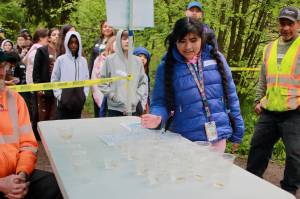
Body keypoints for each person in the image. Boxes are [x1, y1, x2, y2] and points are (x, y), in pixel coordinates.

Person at [141, 17, 244, 153]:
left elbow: (231, 97)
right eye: (182, 41)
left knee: (213, 174)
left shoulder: (217, 58)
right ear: (175, 41)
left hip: (217, 137)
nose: (188, 47)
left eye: (193, 40)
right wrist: (158, 117)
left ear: (202, 38)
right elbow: (160, 103)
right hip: (184, 139)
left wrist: (238, 132)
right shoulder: (166, 67)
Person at [246, 6, 300, 196]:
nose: (285, 28)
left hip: (294, 111)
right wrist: (256, 100)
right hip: (269, 110)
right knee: (257, 149)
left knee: (295, 155)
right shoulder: (269, 48)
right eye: (282, 23)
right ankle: (251, 185)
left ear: (298, 25)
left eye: (290, 24)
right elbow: (263, 77)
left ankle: (288, 191)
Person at [0, 51, 63, 199]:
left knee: (56, 184)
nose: (2, 72)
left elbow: (28, 144)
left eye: (3, 66)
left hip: (16, 175)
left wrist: (21, 175)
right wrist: (2, 184)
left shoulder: (14, 98)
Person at [99, 30, 148, 117]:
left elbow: (143, 83)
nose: (127, 41)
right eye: (124, 39)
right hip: (114, 108)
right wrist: (113, 96)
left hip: (133, 108)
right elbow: (102, 82)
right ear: (118, 40)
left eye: (130, 39)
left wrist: (136, 98)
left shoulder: (137, 61)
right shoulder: (110, 60)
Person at [51, 31, 89, 119]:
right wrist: (60, 96)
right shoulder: (61, 60)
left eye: (76, 43)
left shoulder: (83, 61)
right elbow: (54, 79)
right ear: (67, 44)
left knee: (76, 128)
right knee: (63, 129)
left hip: (78, 102)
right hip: (64, 102)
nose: (73, 45)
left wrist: (84, 96)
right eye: (71, 42)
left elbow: (87, 80)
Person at [33, 28, 59, 121]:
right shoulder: (42, 50)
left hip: (57, 87)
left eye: (58, 35)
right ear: (49, 38)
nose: (56, 36)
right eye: (54, 34)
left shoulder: (62, 51)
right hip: (44, 86)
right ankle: (39, 135)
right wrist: (38, 86)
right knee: (43, 115)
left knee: (54, 114)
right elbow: (36, 70)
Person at [89, 20, 114, 117]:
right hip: (96, 76)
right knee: (96, 99)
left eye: (109, 26)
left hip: (107, 75)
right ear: (101, 28)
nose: (107, 28)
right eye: (105, 26)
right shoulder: (97, 41)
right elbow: (92, 58)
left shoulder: (115, 41)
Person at [133, 46, 151, 113]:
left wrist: (143, 107)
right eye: (140, 56)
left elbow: (145, 93)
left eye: (145, 57)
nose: (142, 59)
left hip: (141, 107)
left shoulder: (145, 76)